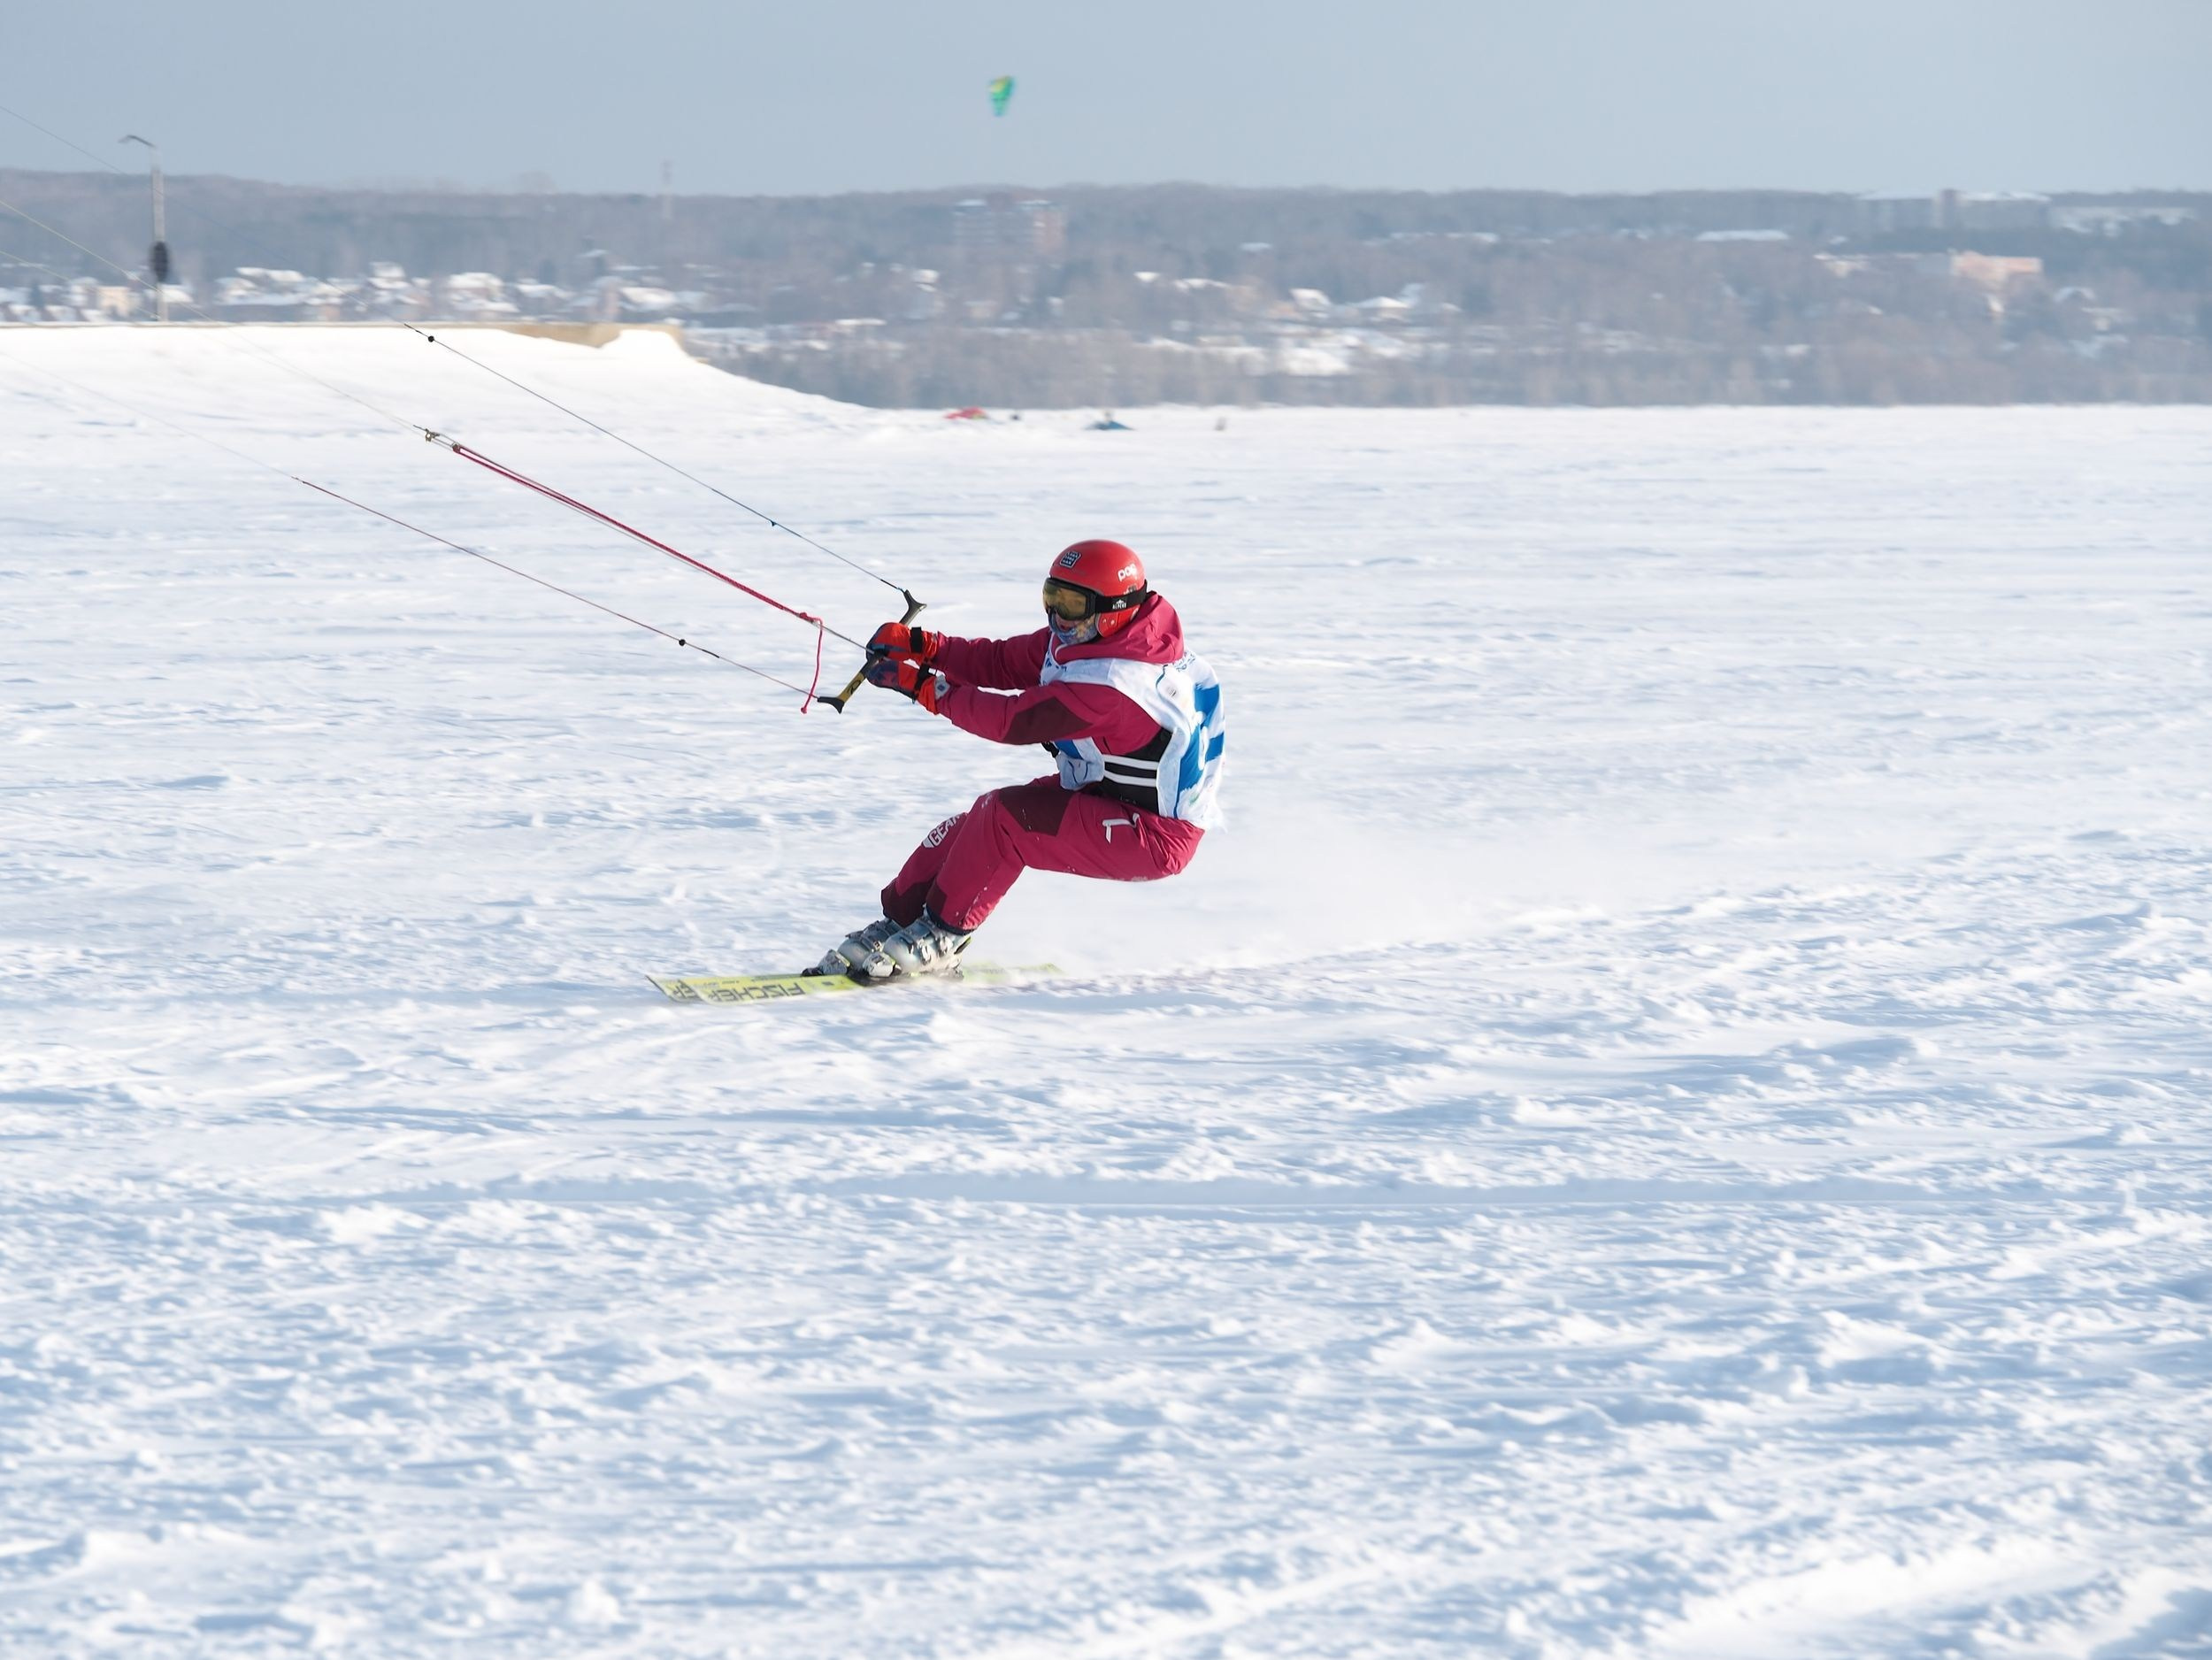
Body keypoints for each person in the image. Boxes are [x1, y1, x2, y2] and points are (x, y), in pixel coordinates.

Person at [813, 540, 1225, 980]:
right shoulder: (1099, 638)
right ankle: (897, 922)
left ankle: (941, 936)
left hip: (1152, 833)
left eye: (1071, 605)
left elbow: (1012, 722)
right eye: (1051, 598)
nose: (1057, 618)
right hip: (1106, 791)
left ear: (1116, 608)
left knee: (1002, 820)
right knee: (977, 824)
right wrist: (924, 645)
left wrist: (925, 688)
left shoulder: (1116, 685)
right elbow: (1004, 662)